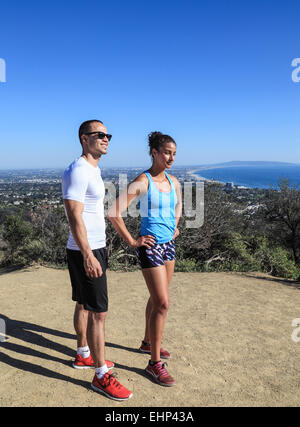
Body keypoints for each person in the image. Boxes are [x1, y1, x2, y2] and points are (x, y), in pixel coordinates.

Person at [62, 119, 132, 401]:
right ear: (84, 138)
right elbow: (74, 215)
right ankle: (101, 375)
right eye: (99, 135)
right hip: (86, 250)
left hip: (88, 249)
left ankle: (84, 355)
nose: (106, 139)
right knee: (99, 312)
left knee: (85, 304)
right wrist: (89, 254)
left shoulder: (93, 168)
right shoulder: (78, 170)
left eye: (108, 135)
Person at [108, 131, 182, 386]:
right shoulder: (144, 180)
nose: (171, 157)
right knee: (162, 303)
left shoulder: (174, 182)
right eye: (166, 152)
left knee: (156, 299)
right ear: (154, 152)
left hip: (168, 246)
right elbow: (114, 212)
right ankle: (153, 364)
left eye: (174, 153)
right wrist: (132, 241)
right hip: (149, 246)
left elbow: (177, 207)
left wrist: (175, 226)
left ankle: (147, 343)